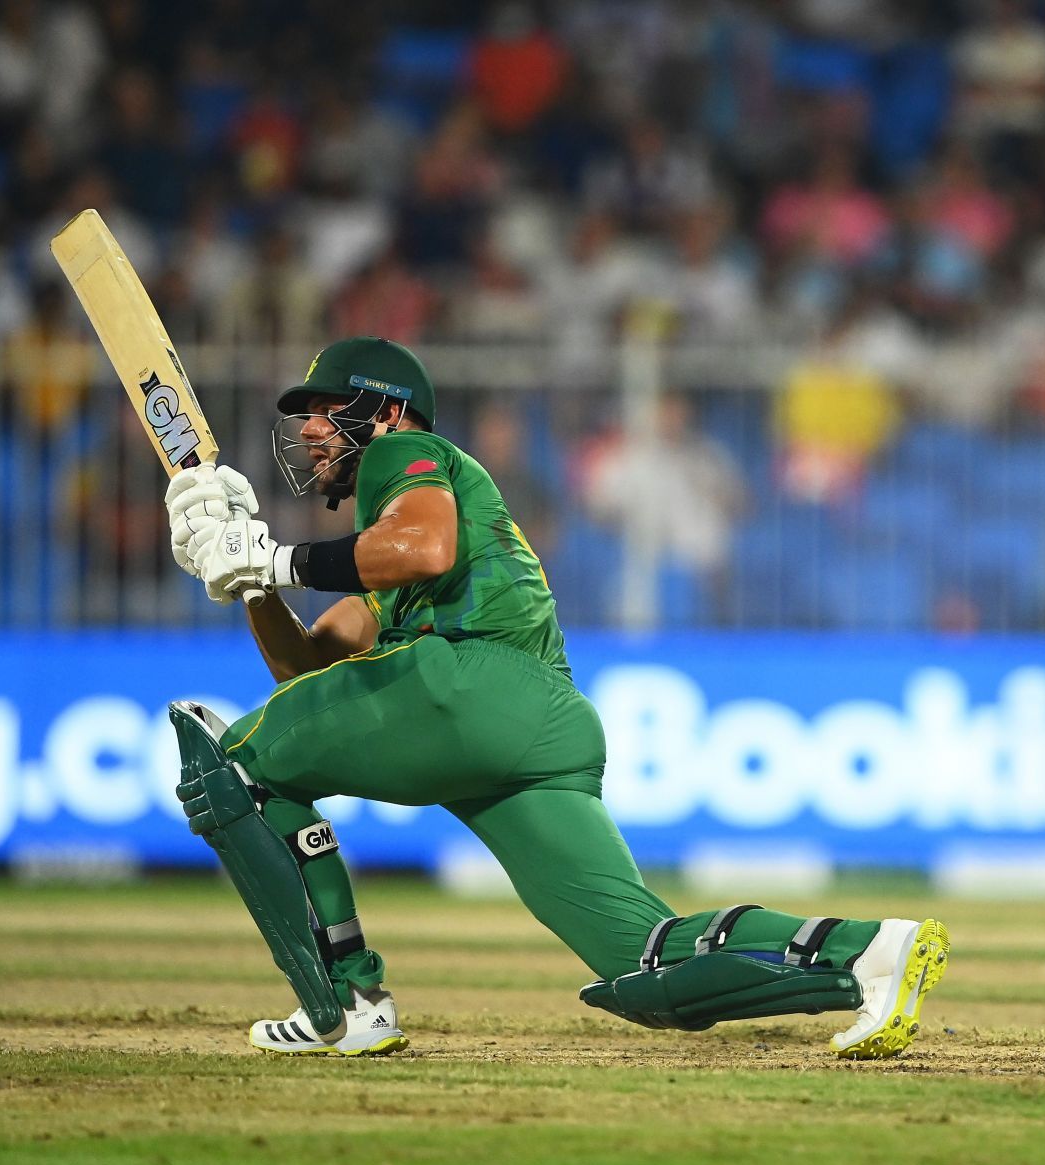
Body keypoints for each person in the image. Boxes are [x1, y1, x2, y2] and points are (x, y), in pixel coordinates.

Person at [162, 336, 948, 1059]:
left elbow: (419, 547)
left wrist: (275, 556)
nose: (308, 432)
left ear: (387, 410)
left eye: (326, 412)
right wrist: (245, 575)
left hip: (468, 683)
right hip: (543, 725)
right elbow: (310, 678)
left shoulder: (406, 453)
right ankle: (871, 953)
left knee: (231, 769)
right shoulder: (407, 564)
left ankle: (350, 1003)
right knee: (642, 959)